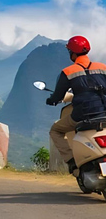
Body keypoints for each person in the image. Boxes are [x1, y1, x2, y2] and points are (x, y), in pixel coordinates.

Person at [47, 36, 106, 173]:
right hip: (103, 113)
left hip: (81, 116)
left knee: (55, 130)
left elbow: (58, 96)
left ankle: (72, 161)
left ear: (72, 53)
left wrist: (51, 100)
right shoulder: (103, 68)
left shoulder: (67, 72)